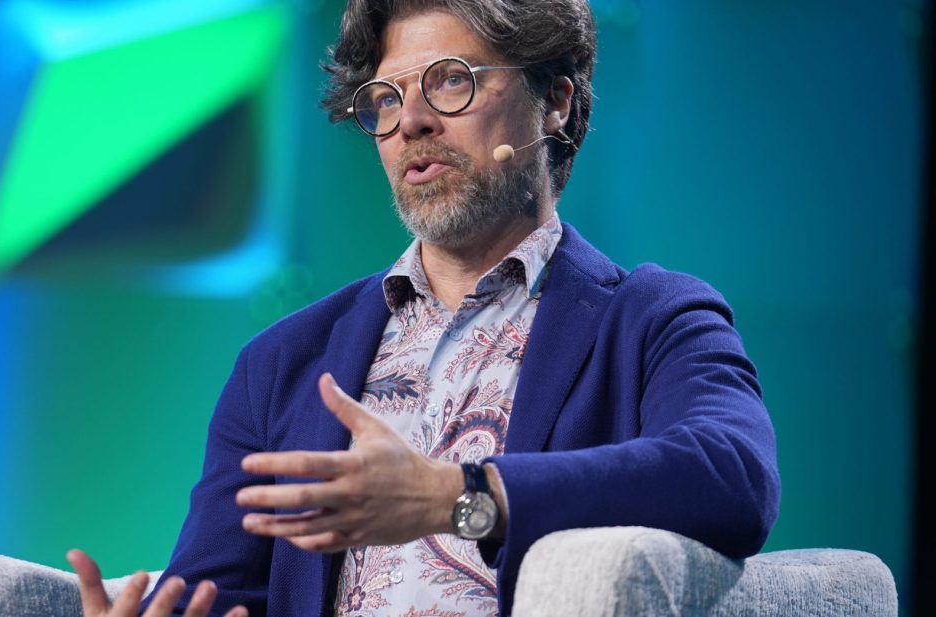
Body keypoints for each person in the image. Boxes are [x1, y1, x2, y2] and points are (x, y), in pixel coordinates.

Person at [68, 1, 781, 615]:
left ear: (555, 102)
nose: (410, 121)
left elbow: (732, 474)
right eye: (385, 98)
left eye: (450, 80)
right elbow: (217, 590)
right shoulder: (282, 363)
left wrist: (457, 497)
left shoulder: (652, 319)